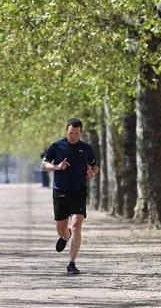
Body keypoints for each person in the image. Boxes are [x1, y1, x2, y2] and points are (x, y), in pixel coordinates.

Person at [41, 117, 99, 275]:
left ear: (81, 133)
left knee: (76, 225)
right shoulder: (56, 146)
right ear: (66, 131)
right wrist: (57, 167)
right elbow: (43, 165)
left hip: (79, 191)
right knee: (61, 228)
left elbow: (95, 167)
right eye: (70, 133)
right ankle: (65, 236)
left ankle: (72, 263)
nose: (73, 136)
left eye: (76, 133)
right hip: (60, 191)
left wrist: (92, 172)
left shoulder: (86, 148)